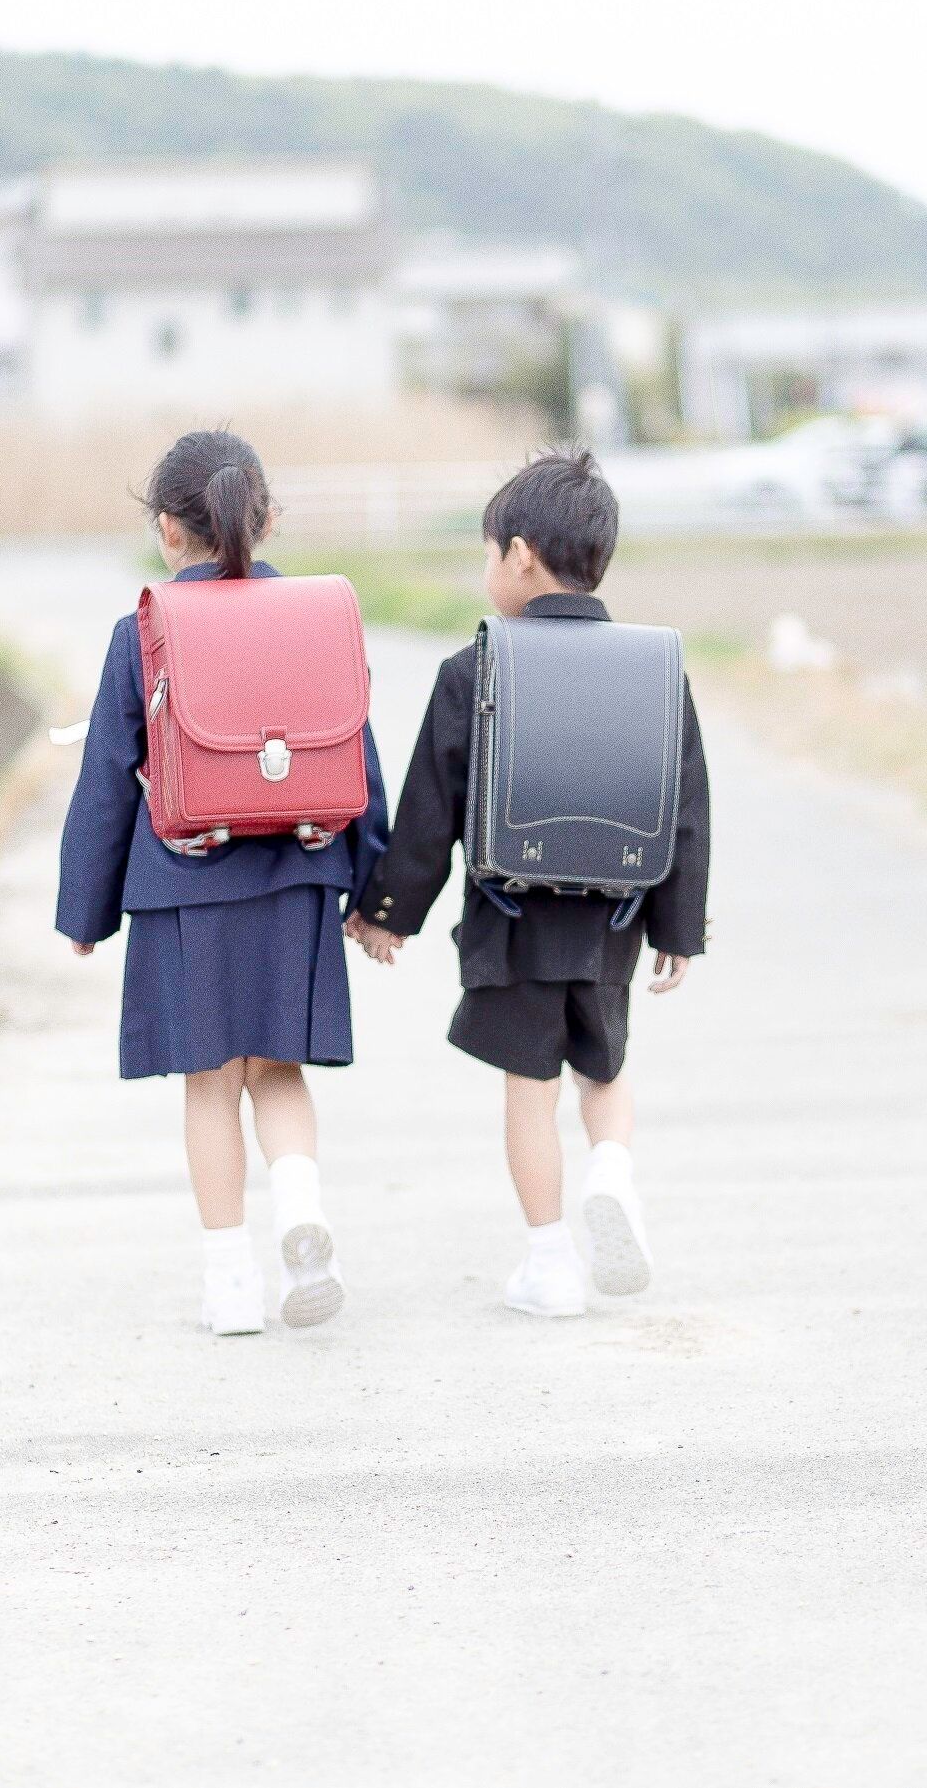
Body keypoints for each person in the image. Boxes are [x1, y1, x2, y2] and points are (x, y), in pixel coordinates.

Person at [347, 450, 711, 1316]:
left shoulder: (475, 670)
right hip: (615, 917)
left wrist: (387, 911)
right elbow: (685, 804)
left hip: (512, 924)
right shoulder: (655, 668)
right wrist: (678, 927)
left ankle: (550, 1263)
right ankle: (611, 1170)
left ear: (518, 555)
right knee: (605, 1070)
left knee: (529, 1090)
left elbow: (430, 812)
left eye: (487, 553)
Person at [57, 431, 388, 1336]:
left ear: (168, 529)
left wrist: (85, 910)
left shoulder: (144, 629)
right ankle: (302, 1208)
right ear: (267, 517)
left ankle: (232, 1282)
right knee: (278, 1070)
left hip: (185, 884)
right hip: (300, 874)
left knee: (210, 1083)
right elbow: (357, 756)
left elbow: (106, 779)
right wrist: (374, 894)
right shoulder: (317, 615)